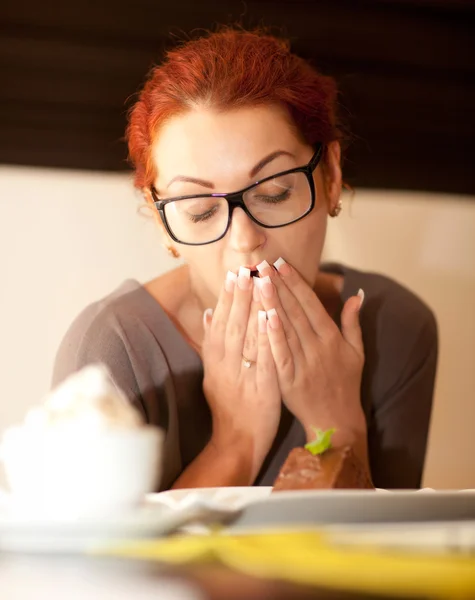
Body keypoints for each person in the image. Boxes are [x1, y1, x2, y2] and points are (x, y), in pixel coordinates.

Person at [52, 27, 438, 491]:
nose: (245, 239)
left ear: (331, 176)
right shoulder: (111, 351)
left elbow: (383, 559)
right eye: (200, 209)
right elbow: (99, 562)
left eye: (274, 193)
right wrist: (234, 443)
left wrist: (338, 429)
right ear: (162, 225)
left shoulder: (393, 326)